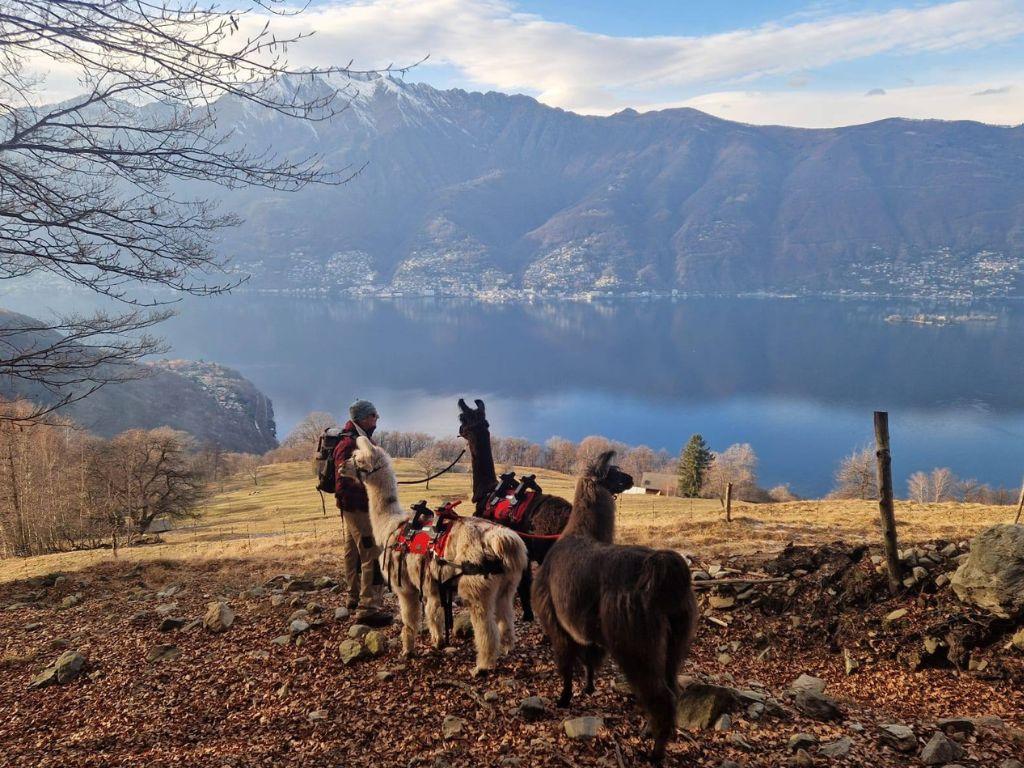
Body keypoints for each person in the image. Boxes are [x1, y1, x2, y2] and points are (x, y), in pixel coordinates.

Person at [334, 399, 392, 625]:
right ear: (362, 418)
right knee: (373, 553)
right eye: (373, 416)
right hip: (358, 508)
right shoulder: (351, 444)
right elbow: (343, 479)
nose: (377, 419)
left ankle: (354, 596)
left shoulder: (356, 439)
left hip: (350, 508)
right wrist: (371, 485)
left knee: (353, 552)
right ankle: (369, 608)